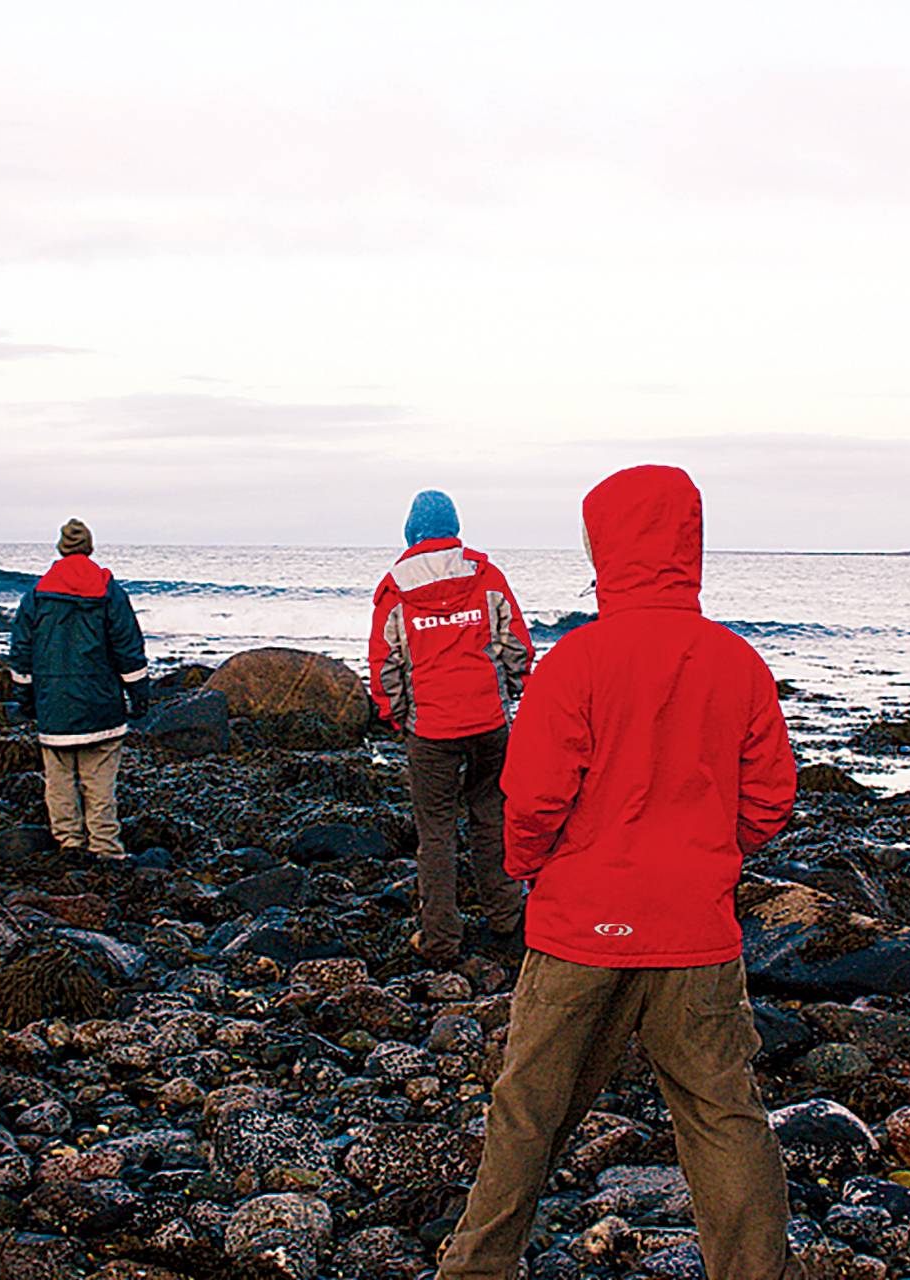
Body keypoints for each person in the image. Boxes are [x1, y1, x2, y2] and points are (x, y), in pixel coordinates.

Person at [437, 465, 803, 1280]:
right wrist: (715, 855)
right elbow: (771, 797)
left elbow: (531, 798)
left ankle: (477, 1268)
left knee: (527, 1112)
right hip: (694, 931)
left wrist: (535, 868)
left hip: (580, 927)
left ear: (604, 549)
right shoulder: (735, 662)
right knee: (724, 1116)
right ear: (689, 547)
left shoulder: (577, 661)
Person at [369, 489, 536, 968]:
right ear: (454, 529)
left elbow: (386, 666)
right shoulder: (486, 577)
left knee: (437, 836)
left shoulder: (394, 589)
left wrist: (398, 715)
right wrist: (514, 689)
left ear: (411, 533)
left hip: (432, 732)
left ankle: (441, 940)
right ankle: (504, 918)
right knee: (492, 819)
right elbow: (516, 647)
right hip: (489, 725)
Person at [8, 518, 150, 860]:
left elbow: (21, 653)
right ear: (89, 548)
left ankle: (69, 845)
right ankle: (105, 849)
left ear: (61, 548)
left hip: (54, 708)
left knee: (58, 783)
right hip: (102, 707)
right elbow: (128, 649)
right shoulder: (109, 592)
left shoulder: (38, 594)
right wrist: (140, 698)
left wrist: (27, 701)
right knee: (99, 785)